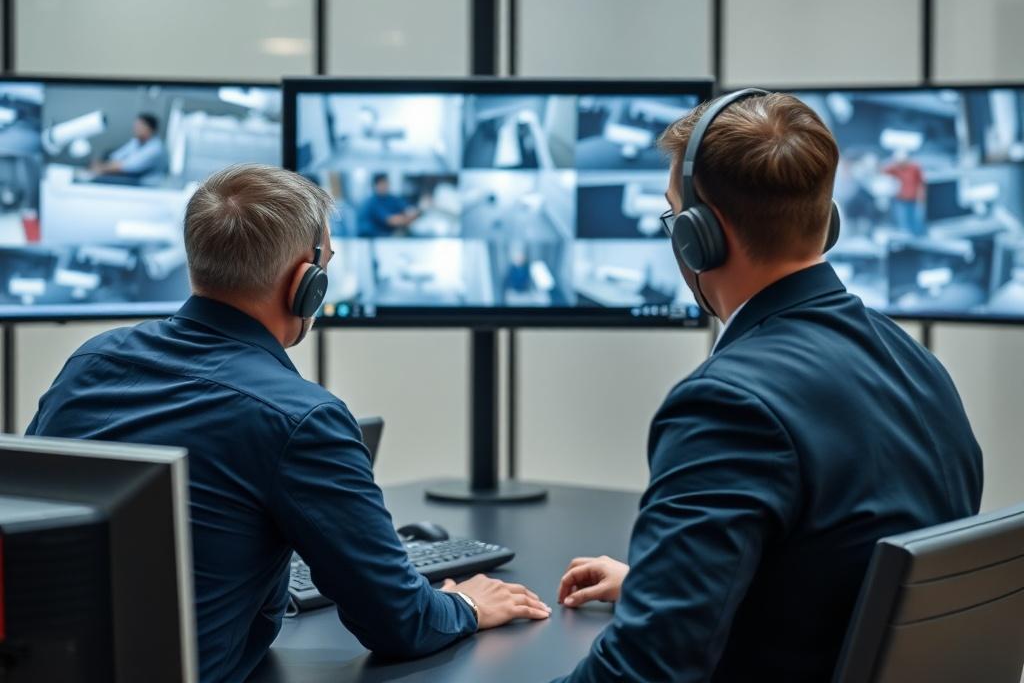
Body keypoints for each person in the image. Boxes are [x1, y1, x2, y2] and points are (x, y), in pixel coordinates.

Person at [27, 164, 550, 682]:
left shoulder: (91, 362)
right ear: (308, 283)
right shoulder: (301, 419)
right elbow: (401, 622)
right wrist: (468, 606)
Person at [553, 93, 982, 682]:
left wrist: (664, 620)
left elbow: (645, 672)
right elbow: (844, 578)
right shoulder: (913, 362)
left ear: (698, 237)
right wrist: (663, 590)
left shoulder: (728, 403)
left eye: (673, 216)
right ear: (824, 221)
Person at [91, 112, 168, 180]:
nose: (135, 129)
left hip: (149, 186)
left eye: (139, 126)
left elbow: (129, 167)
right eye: (135, 126)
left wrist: (101, 168)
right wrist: (100, 164)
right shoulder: (136, 142)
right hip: (133, 181)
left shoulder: (156, 148)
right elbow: (116, 157)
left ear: (150, 129)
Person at [884, 147, 927, 236]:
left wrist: (922, 195)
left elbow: (921, 182)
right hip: (901, 198)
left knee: (916, 218)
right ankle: (908, 236)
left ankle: (919, 235)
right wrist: (893, 162)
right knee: (903, 219)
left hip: (913, 198)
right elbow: (884, 170)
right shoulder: (896, 168)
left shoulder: (915, 167)